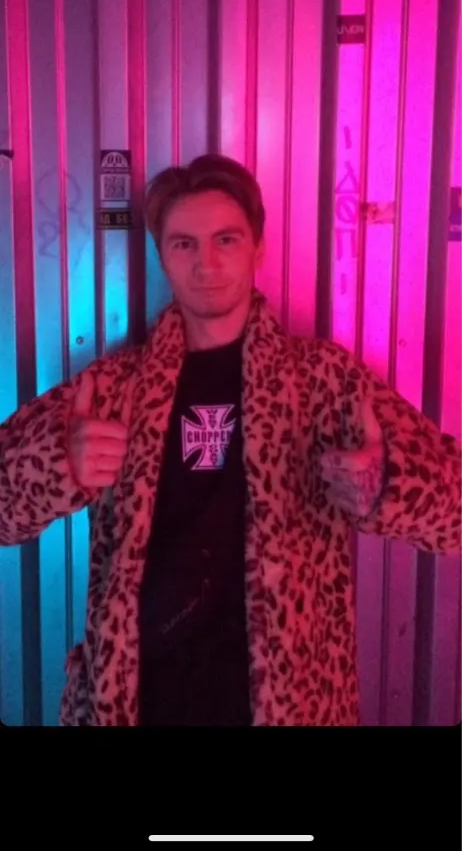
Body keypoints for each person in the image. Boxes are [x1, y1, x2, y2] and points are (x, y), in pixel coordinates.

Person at [0, 154, 460, 727]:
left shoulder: (323, 383)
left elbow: (454, 511)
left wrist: (387, 482)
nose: (207, 263)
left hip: (289, 709)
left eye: (226, 239)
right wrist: (57, 462)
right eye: (184, 244)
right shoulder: (114, 388)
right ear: (162, 256)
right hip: (137, 703)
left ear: (257, 248)